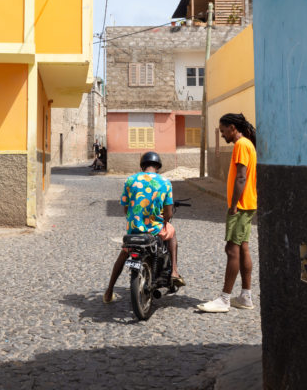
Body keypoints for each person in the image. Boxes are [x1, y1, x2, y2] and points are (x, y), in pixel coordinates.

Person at [103, 151, 184, 303]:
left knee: (123, 255)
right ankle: (174, 271)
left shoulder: (130, 180)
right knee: (172, 232)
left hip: (134, 230)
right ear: (158, 166)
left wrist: (135, 220)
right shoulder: (165, 182)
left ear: (142, 166)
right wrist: (165, 218)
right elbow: (167, 212)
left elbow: (126, 209)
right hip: (154, 229)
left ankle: (109, 291)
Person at [198, 113, 258, 313]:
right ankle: (245, 297)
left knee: (232, 250)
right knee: (243, 248)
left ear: (233, 128)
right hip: (247, 203)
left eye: (223, 131)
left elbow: (241, 177)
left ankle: (224, 299)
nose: (222, 135)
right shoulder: (248, 144)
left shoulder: (241, 145)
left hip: (241, 205)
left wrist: (233, 205)